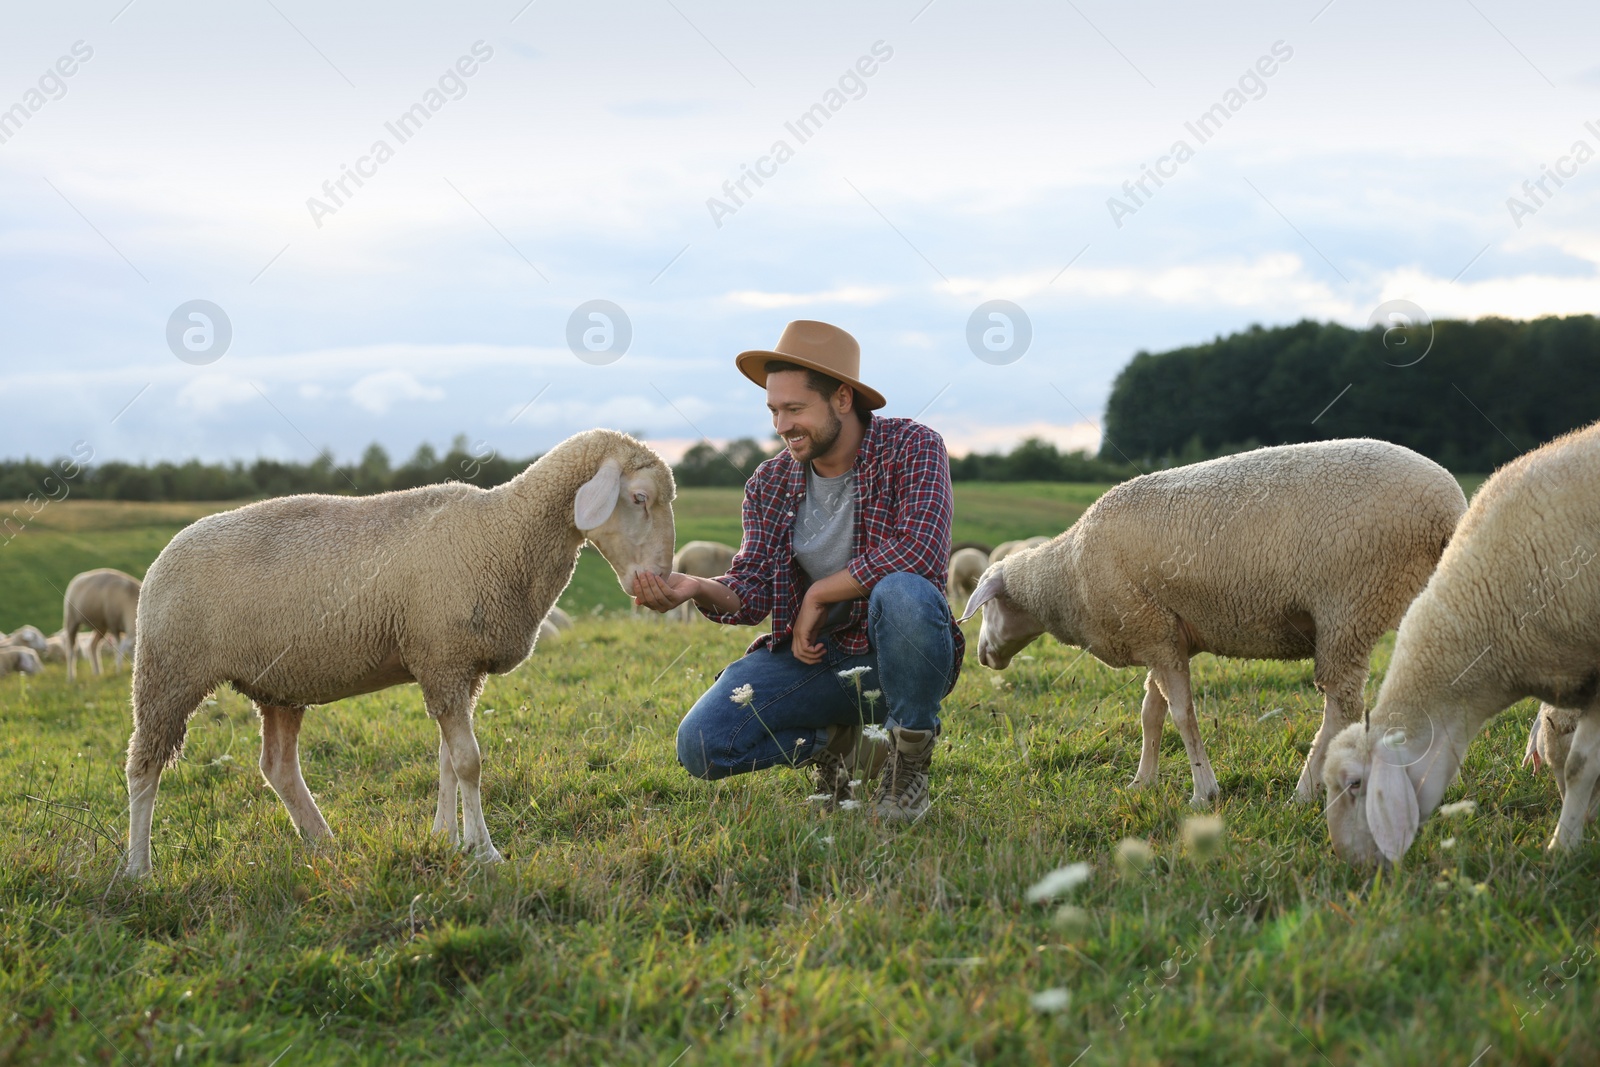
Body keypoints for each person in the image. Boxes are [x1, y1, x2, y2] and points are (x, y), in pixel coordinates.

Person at [633, 320, 963, 822]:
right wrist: (697, 586)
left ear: (843, 399)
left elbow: (920, 550)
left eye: (794, 409)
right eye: (773, 410)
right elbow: (753, 588)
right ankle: (832, 744)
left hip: (900, 659)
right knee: (703, 744)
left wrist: (819, 594)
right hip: (813, 661)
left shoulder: (912, 448)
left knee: (903, 591)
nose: (781, 425)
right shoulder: (769, 481)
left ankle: (907, 764)